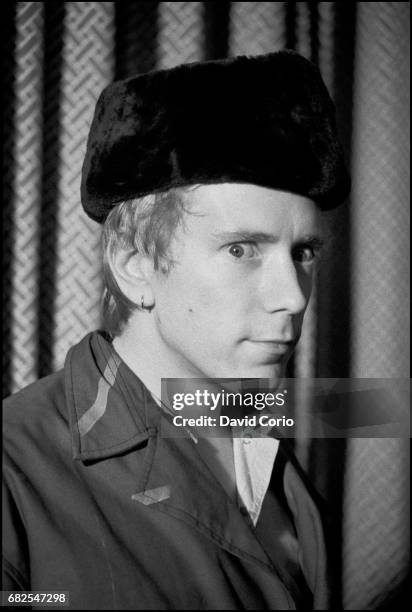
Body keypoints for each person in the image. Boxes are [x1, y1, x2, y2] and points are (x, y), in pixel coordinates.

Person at [3, 50, 350, 610]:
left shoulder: (274, 426)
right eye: (242, 249)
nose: (293, 297)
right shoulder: (14, 472)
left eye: (304, 251)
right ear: (136, 262)